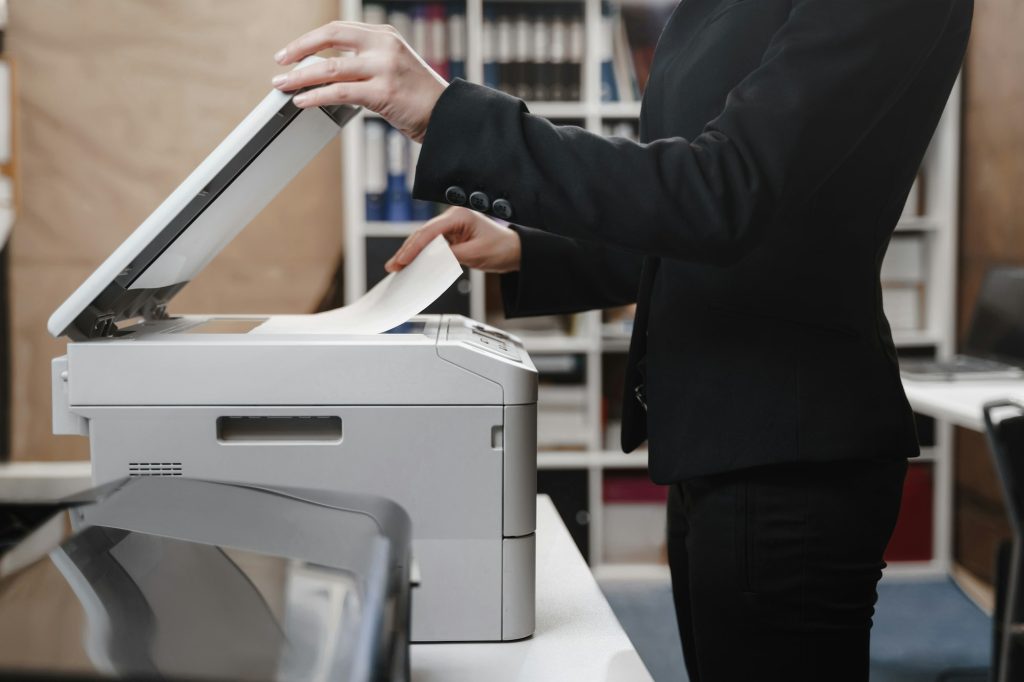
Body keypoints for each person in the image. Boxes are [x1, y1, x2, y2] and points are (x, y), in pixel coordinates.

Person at [272, 0, 972, 678]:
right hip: (714, 436)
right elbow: (697, 227)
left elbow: (723, 192)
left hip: (790, 446)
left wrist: (451, 115)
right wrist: (528, 249)